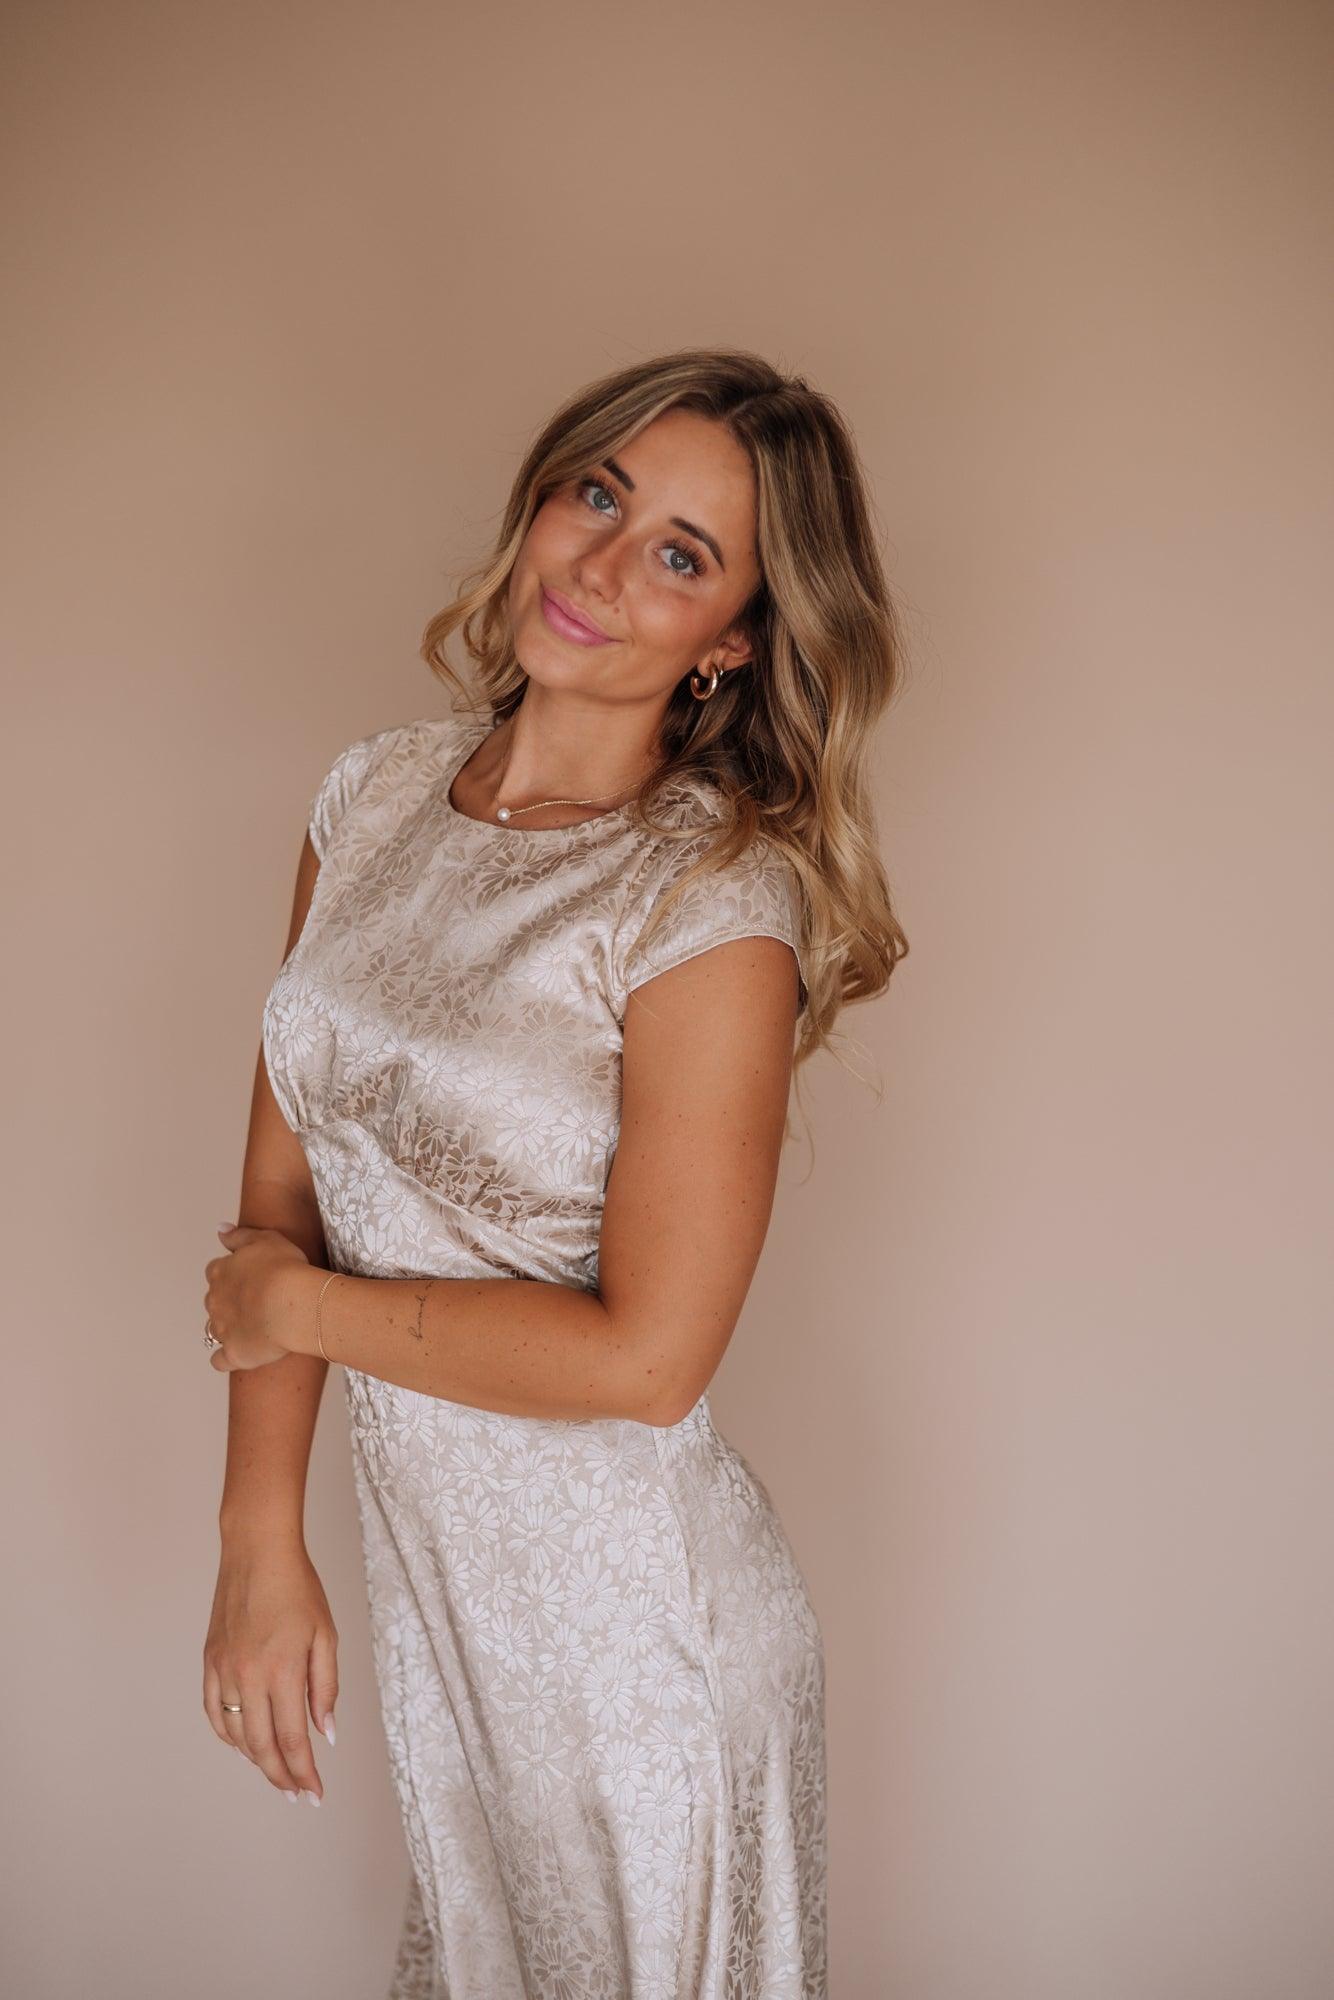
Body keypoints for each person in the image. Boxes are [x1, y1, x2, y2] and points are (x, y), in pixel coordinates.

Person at [201, 346, 907, 1999]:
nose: (601, 566)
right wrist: (256, 1543)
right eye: (600, 495)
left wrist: (294, 1310)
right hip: (449, 1622)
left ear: (731, 637)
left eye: (680, 554)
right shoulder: (369, 799)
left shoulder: (708, 906)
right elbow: (281, 1198)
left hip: (638, 1652)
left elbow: (647, 1362)